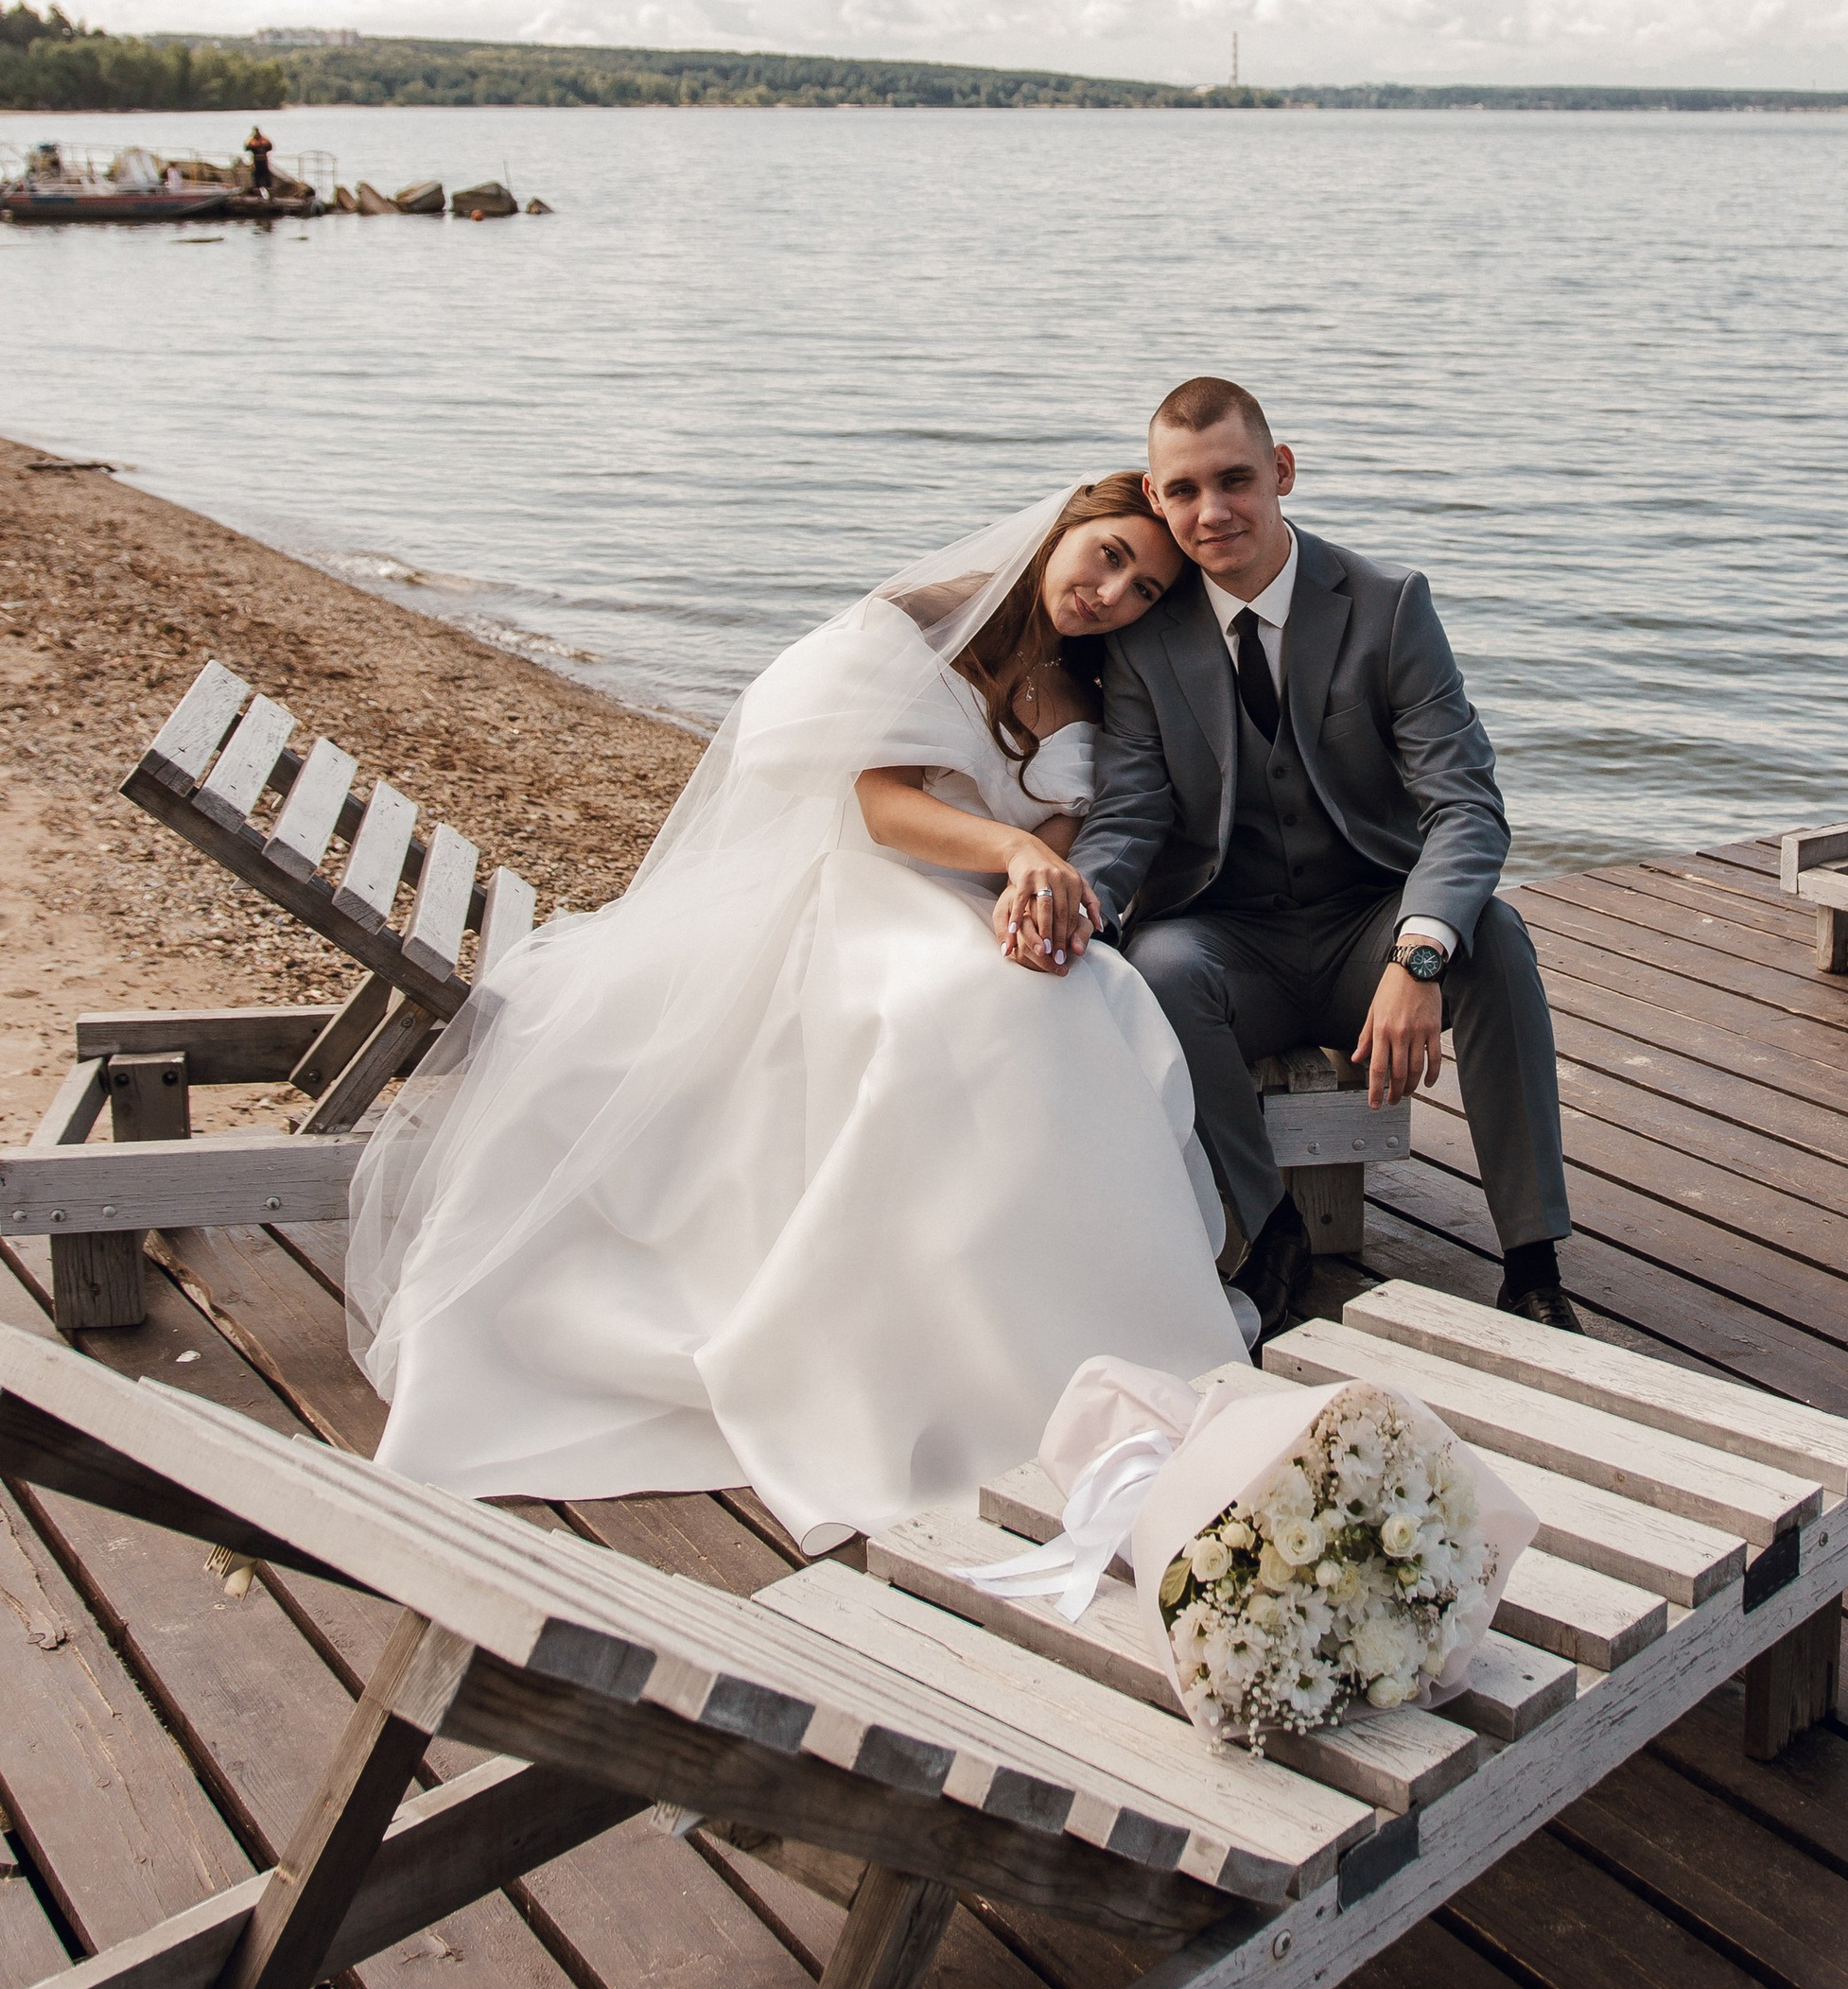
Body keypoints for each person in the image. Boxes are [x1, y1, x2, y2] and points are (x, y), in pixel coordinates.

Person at [348, 477, 1247, 1546]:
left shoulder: (1093, 677)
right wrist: (1012, 853)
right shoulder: (915, 629)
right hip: (873, 889)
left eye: (1144, 590)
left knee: (1095, 996)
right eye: (1108, 556)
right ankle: (945, 1352)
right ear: (1063, 529)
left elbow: (1068, 824)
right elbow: (883, 806)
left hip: (992, 906)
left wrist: (1037, 892)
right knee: (960, 1012)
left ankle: (1076, 1313)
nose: (1112, 594)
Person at [1047, 377, 1577, 1344]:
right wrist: (1084, 906)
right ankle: (1270, 1231)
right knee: (1159, 964)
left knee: (1493, 935)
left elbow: (1465, 805)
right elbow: (1130, 813)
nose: (1212, 512)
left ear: (1281, 471)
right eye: (1183, 491)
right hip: (1229, 940)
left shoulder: (1387, 605)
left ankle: (1533, 1264)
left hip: (1365, 929)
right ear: (1157, 498)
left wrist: (1417, 955)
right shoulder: (1144, 636)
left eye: (1235, 480)